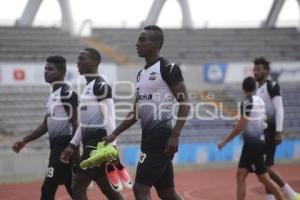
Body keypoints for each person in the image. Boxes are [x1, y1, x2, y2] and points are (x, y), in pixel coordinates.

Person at [104, 25, 190, 200]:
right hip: (149, 138)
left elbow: (185, 103)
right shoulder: (141, 74)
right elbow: (136, 112)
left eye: (142, 40)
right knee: (167, 192)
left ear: (156, 44)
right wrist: (114, 134)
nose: (137, 43)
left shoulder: (168, 68)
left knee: (140, 189)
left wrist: (175, 135)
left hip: (161, 138)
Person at [60, 48, 125, 200]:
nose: (78, 62)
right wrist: (72, 145)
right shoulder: (87, 88)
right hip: (89, 143)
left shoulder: (100, 86)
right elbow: (84, 123)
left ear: (94, 62)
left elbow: (110, 118)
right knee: (107, 189)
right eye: (78, 59)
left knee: (78, 186)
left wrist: (112, 147)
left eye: (82, 59)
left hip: (98, 145)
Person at [12, 55, 79, 200]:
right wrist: (25, 140)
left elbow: (76, 124)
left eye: (50, 69)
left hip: (64, 147)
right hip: (56, 147)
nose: (46, 72)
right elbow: (45, 126)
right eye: (45, 68)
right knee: (72, 190)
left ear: (61, 72)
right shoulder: (52, 96)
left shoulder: (66, 94)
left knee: (48, 189)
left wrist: (72, 150)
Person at [218, 76, 287, 200]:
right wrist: (241, 123)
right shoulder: (259, 100)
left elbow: (240, 127)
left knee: (264, 178)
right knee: (241, 174)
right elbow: (256, 119)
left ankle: (282, 198)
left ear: (243, 88)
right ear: (255, 88)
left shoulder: (247, 102)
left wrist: (224, 141)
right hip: (253, 143)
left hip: (253, 144)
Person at [253, 57, 300, 200]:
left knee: (262, 167)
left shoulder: (271, 85)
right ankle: (271, 198)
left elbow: (279, 109)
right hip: (262, 131)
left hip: (271, 131)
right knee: (265, 168)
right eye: (254, 69)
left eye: (259, 69)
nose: (256, 72)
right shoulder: (258, 90)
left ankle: (292, 194)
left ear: (266, 71)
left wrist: (279, 131)